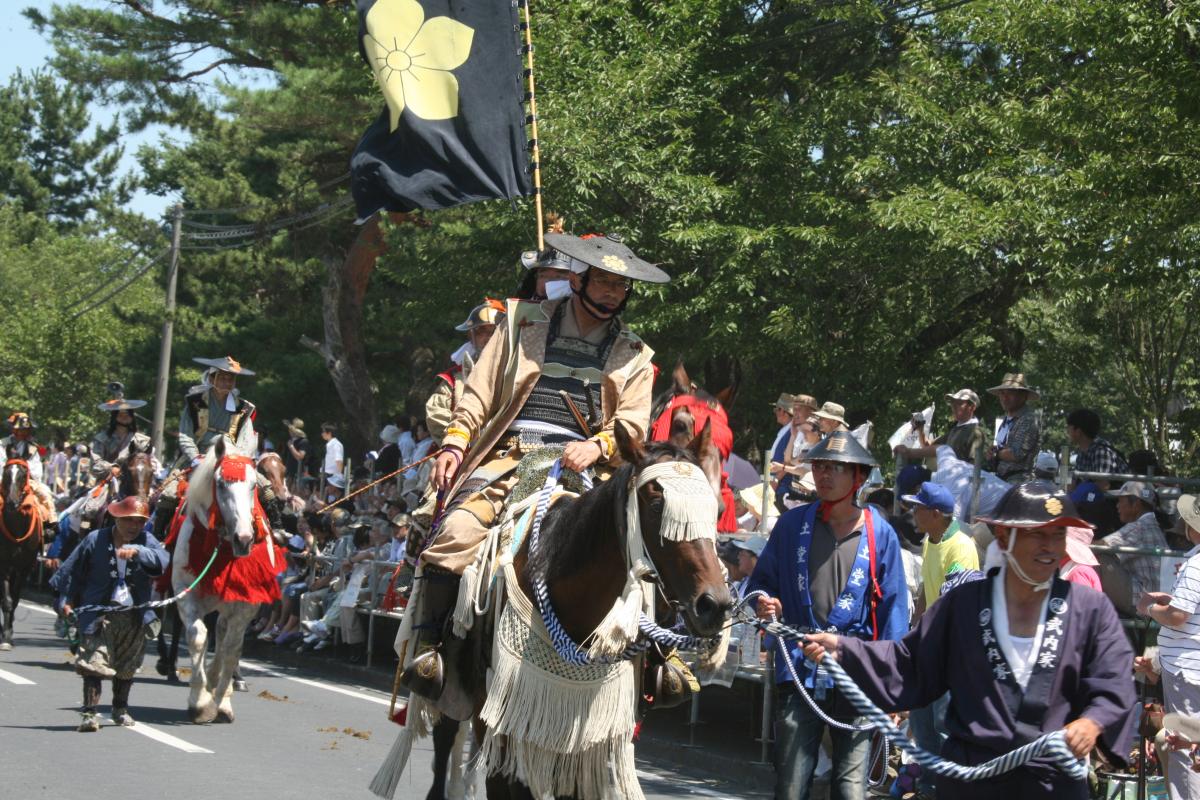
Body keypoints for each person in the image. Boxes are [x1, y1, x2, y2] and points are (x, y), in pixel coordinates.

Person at [406, 232, 667, 699]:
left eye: (620, 286)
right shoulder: (520, 324)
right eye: (604, 281)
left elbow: (633, 424)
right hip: (509, 458)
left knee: (655, 551)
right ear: (579, 279)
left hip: (588, 472)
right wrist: (453, 445)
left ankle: (659, 663)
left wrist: (601, 445)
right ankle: (432, 649)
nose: (612, 292)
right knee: (453, 537)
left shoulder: (636, 354)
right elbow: (479, 395)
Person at [797, 481, 1138, 799]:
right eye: (1038, 535)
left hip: (1052, 781)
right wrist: (843, 649)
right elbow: (909, 661)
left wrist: (1093, 721)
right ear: (1004, 537)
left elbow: (1114, 678)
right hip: (972, 779)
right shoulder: (963, 606)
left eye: (1058, 534)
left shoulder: (1090, 609)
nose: (1050, 546)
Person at [747, 431, 910, 800]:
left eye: (836, 468)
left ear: (859, 478)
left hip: (856, 671)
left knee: (851, 790)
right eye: (819, 465)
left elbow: (893, 614)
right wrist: (764, 604)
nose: (823, 475)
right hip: (799, 666)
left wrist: (894, 689)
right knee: (790, 785)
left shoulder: (881, 534)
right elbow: (758, 586)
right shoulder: (791, 526)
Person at [51, 497, 170, 731]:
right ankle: (89, 714)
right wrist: (65, 600)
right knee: (93, 662)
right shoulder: (96, 539)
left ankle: (120, 709)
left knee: (127, 666)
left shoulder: (147, 540)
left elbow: (164, 561)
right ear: (116, 517)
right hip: (99, 613)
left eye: (139, 522)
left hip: (134, 615)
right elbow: (72, 571)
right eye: (128, 521)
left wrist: (140, 552)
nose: (133, 526)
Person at [154, 356, 259, 539]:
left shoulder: (243, 408)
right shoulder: (195, 402)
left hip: (232, 459)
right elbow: (186, 435)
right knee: (170, 491)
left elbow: (246, 440)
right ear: (212, 379)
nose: (227, 382)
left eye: (231, 379)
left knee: (266, 487)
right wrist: (195, 458)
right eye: (223, 378)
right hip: (197, 456)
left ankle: (274, 530)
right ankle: (159, 536)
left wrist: (236, 459)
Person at [1139, 493, 1200, 800]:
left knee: (1183, 746)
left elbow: (1178, 615)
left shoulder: (1195, 565)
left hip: (1189, 671)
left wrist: (1149, 608)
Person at [426, 300, 505, 443]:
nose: (488, 337)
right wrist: (462, 436)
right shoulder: (453, 377)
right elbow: (435, 413)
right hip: (464, 448)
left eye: (493, 331)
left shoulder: (517, 370)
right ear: (471, 335)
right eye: (481, 331)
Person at [1102, 481, 1168, 609]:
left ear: (1136, 505)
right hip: (1153, 597)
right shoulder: (1151, 524)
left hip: (1143, 599)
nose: (1117, 506)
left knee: (1099, 558)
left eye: (1121, 501)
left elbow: (1101, 545)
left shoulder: (1139, 527)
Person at [895, 388, 988, 465]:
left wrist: (909, 452)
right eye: (952, 403)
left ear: (972, 407)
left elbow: (974, 466)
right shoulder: (955, 430)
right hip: (946, 478)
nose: (954, 407)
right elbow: (928, 446)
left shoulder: (975, 432)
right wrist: (920, 430)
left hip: (958, 484)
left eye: (959, 403)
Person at [986, 373, 1040, 484]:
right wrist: (992, 453)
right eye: (1002, 393)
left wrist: (996, 454)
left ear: (1023, 396)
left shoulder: (1028, 419)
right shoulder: (1005, 420)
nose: (1004, 397)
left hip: (1019, 482)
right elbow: (1000, 448)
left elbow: (1016, 454)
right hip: (1001, 479)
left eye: (1010, 393)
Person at [91, 382, 152, 469]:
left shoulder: (142, 440)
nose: (125, 417)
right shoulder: (101, 438)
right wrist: (111, 468)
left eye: (128, 414)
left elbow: (149, 462)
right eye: (121, 415)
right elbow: (95, 463)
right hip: (108, 478)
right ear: (114, 418)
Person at [1066, 409, 1128, 489]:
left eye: (1068, 428)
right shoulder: (1082, 453)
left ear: (1078, 431)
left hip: (1114, 500)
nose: (1067, 432)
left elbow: (1103, 486)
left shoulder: (1101, 451)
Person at [1, 412, 44, 481]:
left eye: (26, 430)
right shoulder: (3, 444)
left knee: (46, 491)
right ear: (14, 430)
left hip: (27, 480)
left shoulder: (32, 448)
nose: (23, 433)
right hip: (4, 480)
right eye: (20, 430)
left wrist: (23, 466)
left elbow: (37, 471)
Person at [283, 418, 311, 486]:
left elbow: (300, 457)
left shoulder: (303, 441)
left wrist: (291, 447)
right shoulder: (291, 441)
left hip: (298, 474)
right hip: (289, 473)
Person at [320, 422, 345, 493]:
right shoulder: (330, 444)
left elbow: (339, 460)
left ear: (329, 433)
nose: (322, 434)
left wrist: (338, 476)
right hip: (327, 476)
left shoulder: (336, 444)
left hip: (333, 477)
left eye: (323, 432)